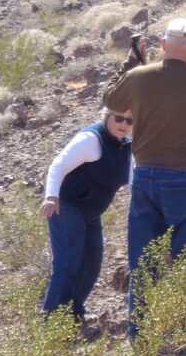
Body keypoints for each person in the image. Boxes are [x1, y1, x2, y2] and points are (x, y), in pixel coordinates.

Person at [102, 17, 186, 335]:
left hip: (145, 180)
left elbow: (110, 100)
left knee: (144, 262)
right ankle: (179, 331)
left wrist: (130, 62)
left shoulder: (140, 77)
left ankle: (141, 337)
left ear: (163, 46)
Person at [39, 109, 133, 321]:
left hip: (91, 212)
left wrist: (151, 202)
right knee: (68, 263)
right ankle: (53, 320)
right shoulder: (90, 139)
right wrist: (51, 197)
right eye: (118, 118)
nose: (124, 124)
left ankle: (75, 311)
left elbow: (129, 183)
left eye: (129, 120)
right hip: (66, 206)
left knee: (92, 263)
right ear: (107, 117)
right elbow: (58, 166)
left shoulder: (126, 146)